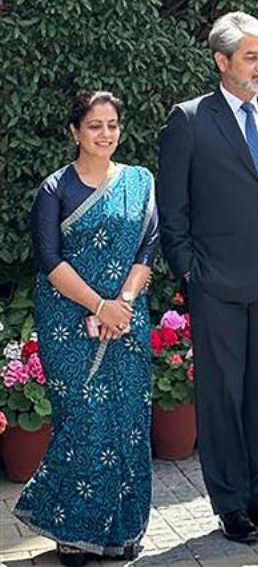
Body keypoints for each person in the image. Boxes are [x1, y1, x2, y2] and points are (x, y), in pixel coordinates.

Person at [157, 11, 258, 543]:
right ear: (222, 61)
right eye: (250, 57)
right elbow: (172, 208)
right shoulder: (190, 119)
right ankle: (230, 506)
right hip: (216, 283)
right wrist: (189, 271)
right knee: (222, 396)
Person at [13, 91, 157, 566]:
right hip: (68, 324)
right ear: (75, 131)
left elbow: (148, 247)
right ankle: (74, 532)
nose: (105, 134)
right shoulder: (55, 189)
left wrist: (124, 305)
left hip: (126, 323)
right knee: (84, 422)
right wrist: (99, 305)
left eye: (112, 124)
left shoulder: (139, 181)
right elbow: (50, 259)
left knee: (128, 424)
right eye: (94, 125)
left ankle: (122, 531)